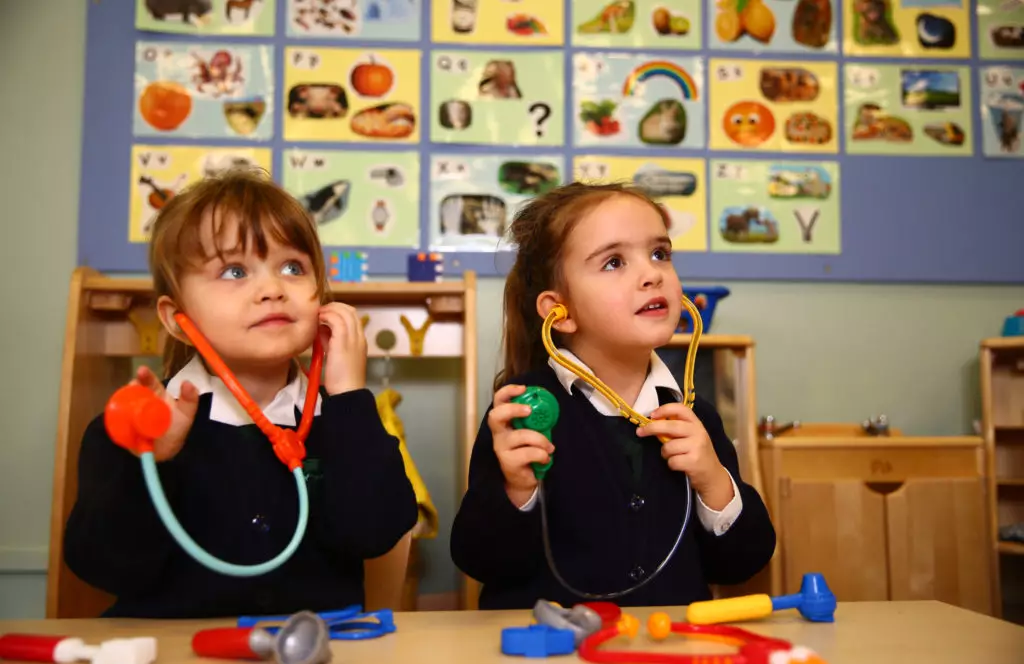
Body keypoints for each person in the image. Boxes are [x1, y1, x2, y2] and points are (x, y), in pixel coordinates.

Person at [64, 170, 418, 618]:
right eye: (234, 271)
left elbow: (375, 532)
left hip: (310, 656)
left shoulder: (342, 421)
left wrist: (348, 395)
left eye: (293, 267)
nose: (272, 290)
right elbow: (104, 567)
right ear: (176, 319)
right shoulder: (137, 428)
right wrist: (151, 462)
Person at [450, 182, 776, 609]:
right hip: (552, 660)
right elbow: (480, 561)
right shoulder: (521, 414)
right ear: (558, 312)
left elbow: (742, 564)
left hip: (667, 657)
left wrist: (714, 481)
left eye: (660, 253)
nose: (652, 273)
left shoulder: (696, 417)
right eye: (614, 262)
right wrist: (516, 490)